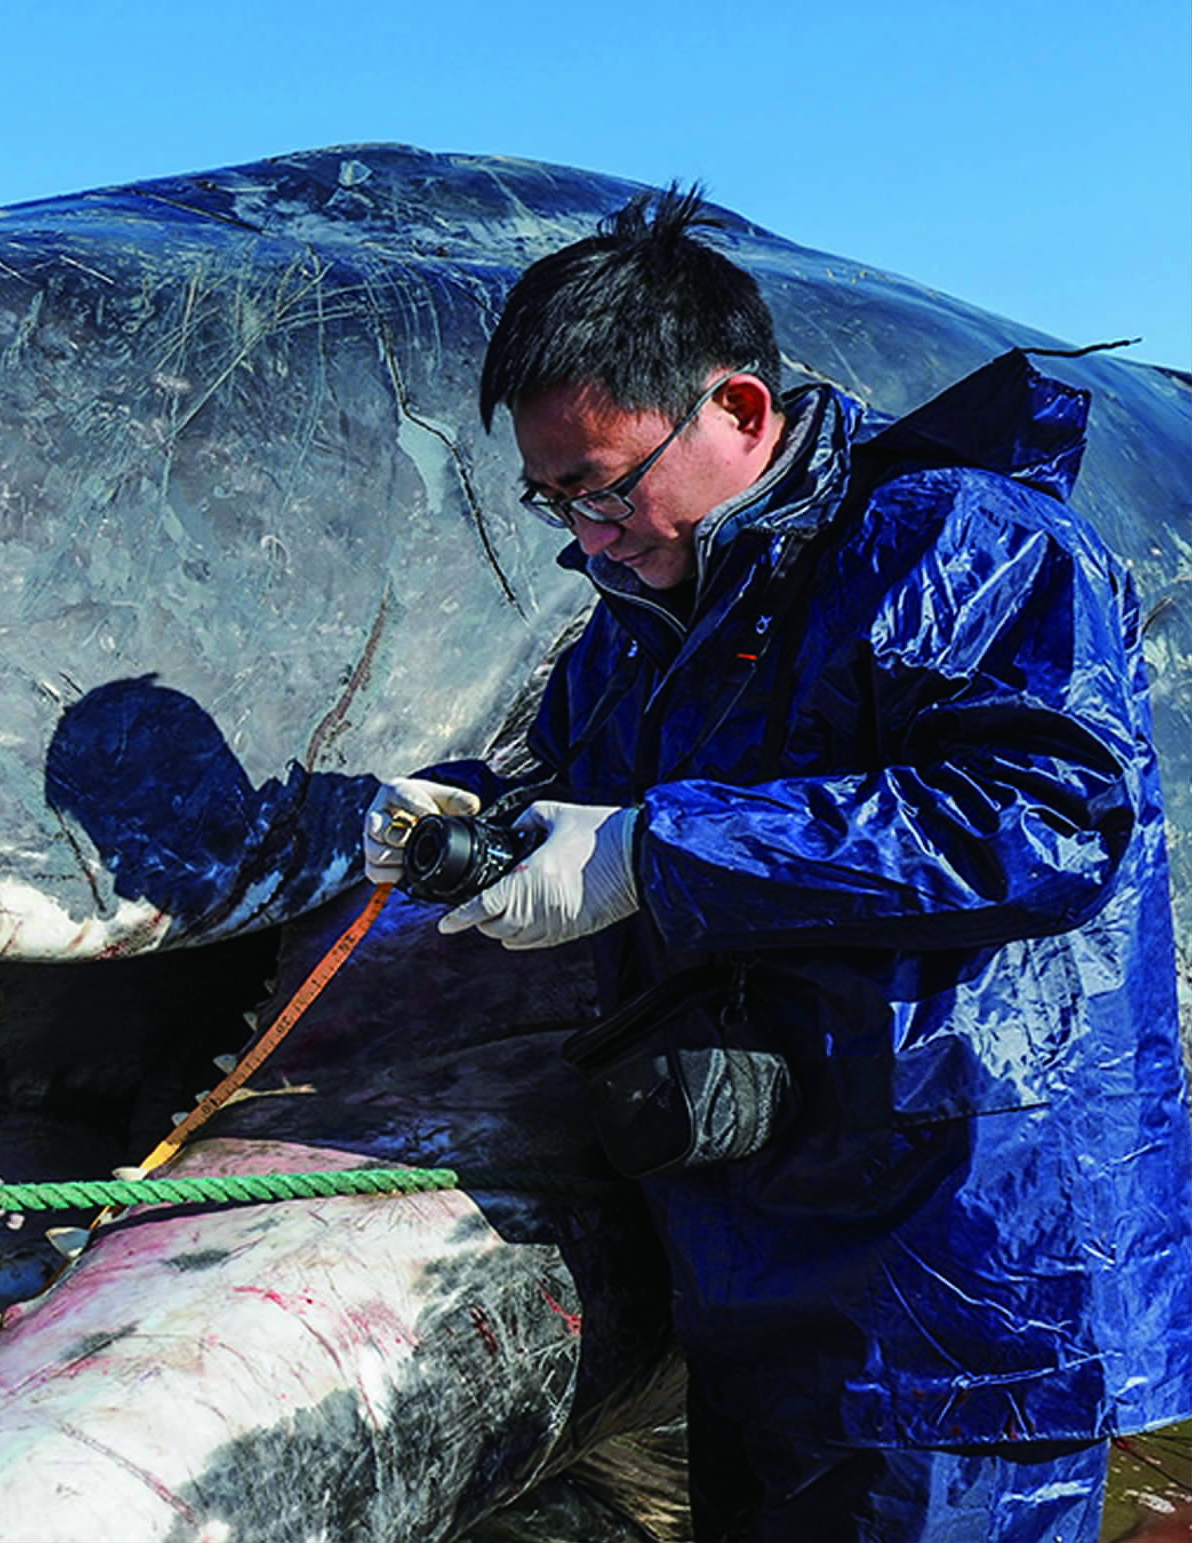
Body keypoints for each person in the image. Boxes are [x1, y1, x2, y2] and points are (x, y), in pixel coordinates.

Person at [362, 188, 1192, 1542]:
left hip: (964, 1294)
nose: (585, 534)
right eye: (551, 499)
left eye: (604, 485)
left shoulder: (963, 546)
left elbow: (1048, 820)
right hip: (766, 1284)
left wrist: (654, 850)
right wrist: (441, 815)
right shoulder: (635, 630)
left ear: (738, 409)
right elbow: (552, 789)